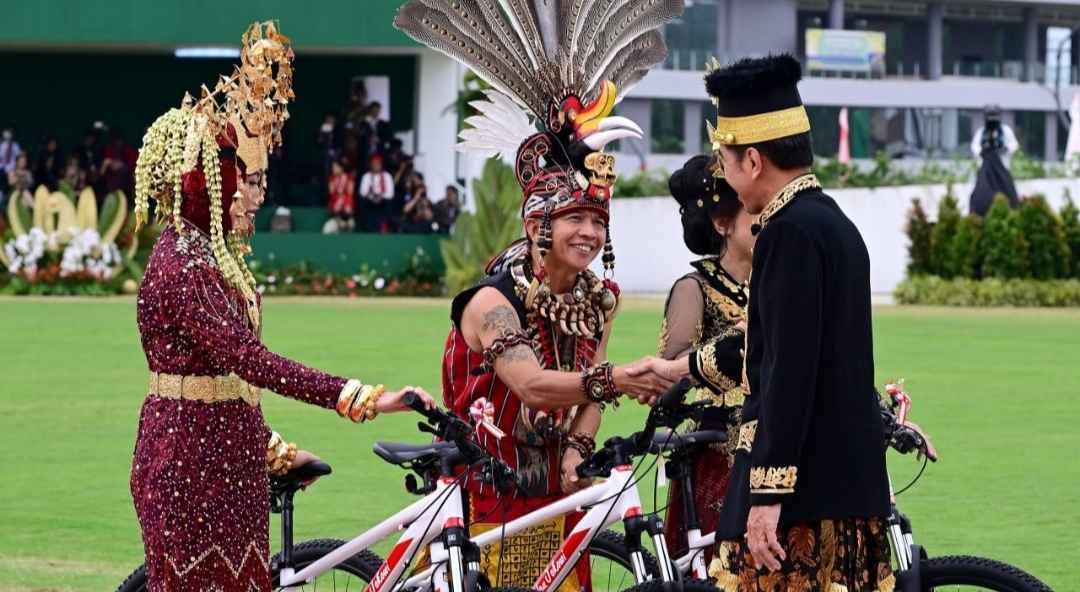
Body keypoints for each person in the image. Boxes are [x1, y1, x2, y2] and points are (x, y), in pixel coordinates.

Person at [128, 23, 434, 592]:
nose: (256, 196)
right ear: (204, 182)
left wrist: (271, 448)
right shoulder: (182, 265)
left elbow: (223, 382)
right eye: (244, 181)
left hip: (230, 463)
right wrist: (364, 397)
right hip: (188, 470)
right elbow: (249, 361)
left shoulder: (216, 259)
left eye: (259, 181)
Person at [396, 0, 682, 589]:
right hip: (485, 492)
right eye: (576, 218)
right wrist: (620, 380)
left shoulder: (599, 297)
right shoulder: (490, 303)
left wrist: (580, 443)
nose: (590, 233)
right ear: (537, 226)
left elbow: (589, 385)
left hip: (559, 494)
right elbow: (529, 384)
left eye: (598, 222)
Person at [658, 154, 754, 564]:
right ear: (722, 223)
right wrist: (741, 338)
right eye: (753, 213)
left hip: (770, 454)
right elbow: (670, 375)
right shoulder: (694, 288)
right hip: (714, 455)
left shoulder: (775, 282)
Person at [969, 104, 1020, 216]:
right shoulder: (981, 132)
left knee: (1007, 190)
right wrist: (980, 152)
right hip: (985, 168)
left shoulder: (1006, 131)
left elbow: (1014, 144)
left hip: (1002, 167)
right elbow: (974, 145)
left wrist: (1007, 149)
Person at [358, 153, 395, 232]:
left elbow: (390, 193)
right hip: (370, 199)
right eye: (373, 164)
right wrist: (372, 198)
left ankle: (387, 228)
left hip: (383, 200)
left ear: (381, 165)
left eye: (377, 164)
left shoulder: (387, 176)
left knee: (390, 203)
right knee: (362, 201)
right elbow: (362, 192)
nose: (375, 166)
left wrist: (380, 197)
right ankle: (363, 228)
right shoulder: (366, 176)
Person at [325, 160, 356, 232]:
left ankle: (348, 221)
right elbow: (332, 193)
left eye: (335, 167)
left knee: (348, 208)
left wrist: (346, 204)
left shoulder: (349, 178)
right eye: (333, 167)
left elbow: (350, 193)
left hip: (347, 199)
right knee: (336, 207)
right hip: (335, 199)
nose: (333, 169)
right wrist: (338, 203)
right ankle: (338, 221)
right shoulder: (331, 179)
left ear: (341, 168)